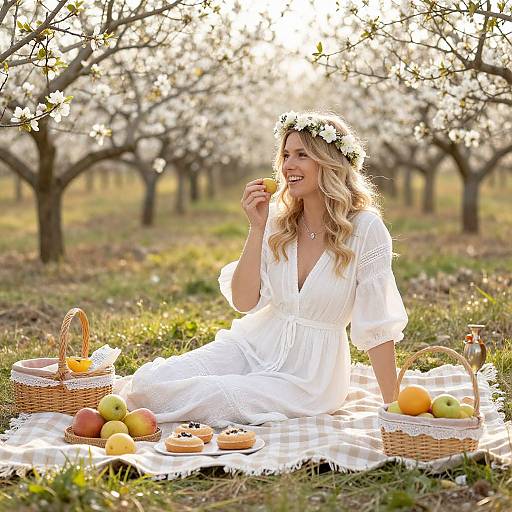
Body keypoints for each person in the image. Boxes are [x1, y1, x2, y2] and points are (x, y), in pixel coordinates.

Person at [114, 110, 408, 428]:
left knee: (211, 394)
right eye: (285, 154)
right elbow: (244, 302)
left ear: (329, 162)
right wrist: (256, 228)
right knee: (149, 383)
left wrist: (395, 406)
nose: (288, 165)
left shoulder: (366, 229)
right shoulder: (278, 221)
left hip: (308, 379)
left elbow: (377, 328)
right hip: (253, 345)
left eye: (301, 155)